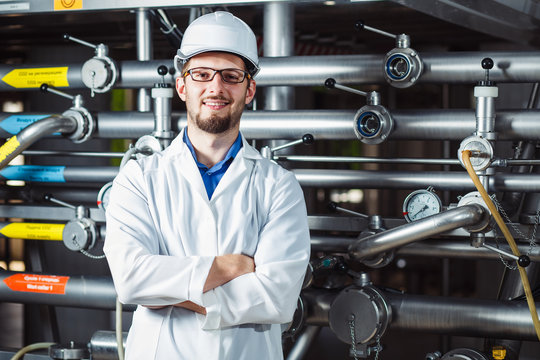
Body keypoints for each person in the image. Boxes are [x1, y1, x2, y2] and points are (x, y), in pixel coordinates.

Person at [104, 11, 311, 360]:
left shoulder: (279, 186)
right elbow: (131, 279)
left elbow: (277, 298)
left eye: (231, 76)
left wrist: (170, 289)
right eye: (202, 74)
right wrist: (231, 268)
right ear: (182, 85)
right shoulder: (139, 178)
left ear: (249, 89)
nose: (216, 87)